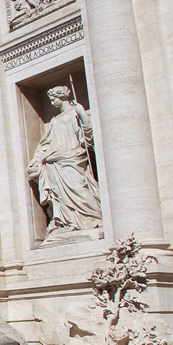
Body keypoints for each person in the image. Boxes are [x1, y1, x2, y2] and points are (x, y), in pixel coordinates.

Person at [27, 85, 103, 235]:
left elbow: (88, 137)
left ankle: (95, 217)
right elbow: (46, 142)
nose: (52, 103)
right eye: (50, 100)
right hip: (54, 161)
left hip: (72, 156)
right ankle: (68, 222)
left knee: (78, 188)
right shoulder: (55, 120)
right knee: (59, 194)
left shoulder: (76, 112)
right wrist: (37, 159)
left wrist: (82, 114)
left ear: (62, 97)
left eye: (53, 99)